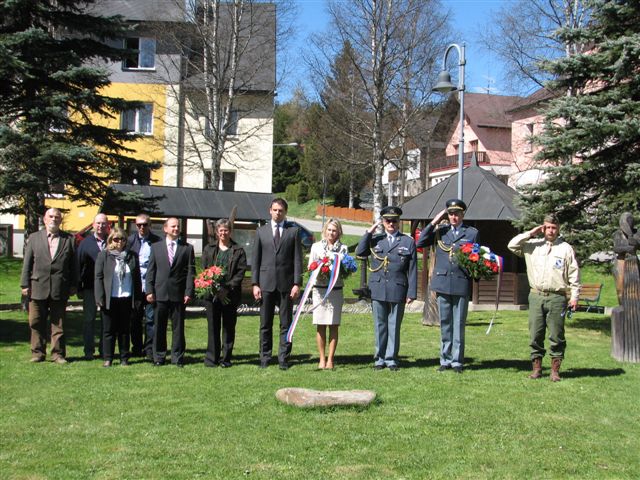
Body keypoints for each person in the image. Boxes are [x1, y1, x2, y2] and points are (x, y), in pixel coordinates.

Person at [508, 214, 580, 382]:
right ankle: (537, 369)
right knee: (535, 334)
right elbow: (512, 245)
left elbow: (574, 274)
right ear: (543, 228)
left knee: (556, 335)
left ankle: (555, 371)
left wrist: (574, 297)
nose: (550, 231)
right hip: (536, 296)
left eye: (554, 228)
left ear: (558, 229)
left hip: (557, 298)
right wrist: (531, 233)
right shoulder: (532, 246)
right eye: (547, 227)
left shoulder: (565, 249)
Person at [416, 199, 479, 373]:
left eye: (457, 214)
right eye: (450, 214)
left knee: (458, 323)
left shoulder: (471, 233)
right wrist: (434, 221)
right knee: (445, 323)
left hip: (460, 282)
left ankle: (457, 361)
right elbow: (420, 242)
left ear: (462, 214)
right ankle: (445, 359)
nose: (453, 217)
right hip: (442, 283)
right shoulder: (440, 232)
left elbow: (476, 256)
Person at [355, 206, 417, 371]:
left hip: (398, 288)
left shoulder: (407, 242)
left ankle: (391, 359)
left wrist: (411, 293)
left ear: (399, 222)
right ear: (383, 222)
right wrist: (369, 233)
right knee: (380, 325)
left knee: (394, 326)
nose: (391, 224)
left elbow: (412, 269)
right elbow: (360, 252)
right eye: (388, 220)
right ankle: (379, 358)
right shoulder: (376, 239)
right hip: (378, 288)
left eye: (394, 221)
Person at [20, 208, 78, 364]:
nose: (54, 219)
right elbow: (27, 263)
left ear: (60, 220)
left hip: (60, 287)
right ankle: (38, 353)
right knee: (35, 321)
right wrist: (24, 284)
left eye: (57, 217)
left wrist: (74, 284)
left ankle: (58, 354)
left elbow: (74, 265)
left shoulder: (69, 239)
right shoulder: (34, 238)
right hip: (37, 286)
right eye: (51, 216)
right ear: (45, 220)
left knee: (58, 324)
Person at [251, 198, 302, 370]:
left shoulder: (293, 232)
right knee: (265, 324)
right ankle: (265, 357)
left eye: (281, 210)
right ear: (270, 210)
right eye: (275, 210)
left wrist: (297, 283)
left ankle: (283, 358)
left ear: (285, 212)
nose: (278, 213)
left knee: (286, 324)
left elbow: (297, 260)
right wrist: (255, 283)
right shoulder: (261, 232)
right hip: (265, 284)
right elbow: (255, 260)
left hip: (286, 285)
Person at [145, 218, 195, 368]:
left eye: (178, 226)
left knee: (178, 328)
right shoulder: (156, 247)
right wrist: (149, 290)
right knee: (159, 327)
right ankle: (159, 357)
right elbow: (151, 271)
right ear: (165, 229)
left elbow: (190, 272)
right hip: (160, 293)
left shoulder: (187, 248)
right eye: (173, 226)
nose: (176, 229)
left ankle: (177, 357)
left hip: (178, 293)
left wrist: (188, 292)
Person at [201, 218, 247, 368]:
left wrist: (226, 288)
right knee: (213, 327)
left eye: (226, 230)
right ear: (216, 232)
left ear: (230, 232)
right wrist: (213, 287)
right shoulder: (209, 249)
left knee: (228, 327)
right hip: (212, 295)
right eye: (220, 230)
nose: (223, 233)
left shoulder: (238, 250)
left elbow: (240, 272)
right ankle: (212, 358)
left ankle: (226, 358)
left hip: (230, 295)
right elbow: (204, 270)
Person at [94, 228, 141, 367]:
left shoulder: (132, 256)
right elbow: (98, 278)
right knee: (108, 330)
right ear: (110, 240)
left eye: (122, 239)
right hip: (110, 298)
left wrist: (137, 299)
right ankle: (108, 358)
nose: (119, 242)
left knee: (124, 330)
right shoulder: (104, 255)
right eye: (116, 239)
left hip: (126, 297)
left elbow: (137, 278)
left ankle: (124, 358)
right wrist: (99, 297)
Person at [308, 218, 348, 370]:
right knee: (320, 325)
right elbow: (310, 267)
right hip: (319, 290)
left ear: (339, 232)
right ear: (325, 231)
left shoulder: (343, 249)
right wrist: (320, 269)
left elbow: (345, 270)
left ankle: (330, 359)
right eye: (329, 230)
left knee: (333, 325)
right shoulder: (316, 247)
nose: (331, 233)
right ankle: (321, 359)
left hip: (335, 290)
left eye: (334, 230)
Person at [76, 213, 110, 360]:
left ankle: (104, 350)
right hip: (90, 287)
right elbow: (78, 265)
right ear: (93, 225)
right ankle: (88, 351)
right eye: (98, 223)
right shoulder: (86, 243)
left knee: (106, 321)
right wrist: (79, 286)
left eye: (103, 223)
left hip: (108, 288)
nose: (100, 226)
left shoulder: (112, 240)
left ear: (108, 225)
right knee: (89, 320)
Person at [127, 213, 161, 358]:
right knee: (135, 319)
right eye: (139, 225)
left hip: (151, 286)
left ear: (150, 225)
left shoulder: (157, 242)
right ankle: (136, 348)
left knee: (151, 319)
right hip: (134, 286)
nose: (142, 227)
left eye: (144, 224)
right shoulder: (130, 241)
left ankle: (149, 349)